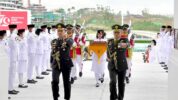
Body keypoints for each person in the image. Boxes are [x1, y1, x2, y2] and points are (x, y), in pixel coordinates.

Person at [51, 23, 74, 100]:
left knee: (66, 82)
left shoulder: (69, 39)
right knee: (54, 81)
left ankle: (67, 98)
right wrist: (51, 62)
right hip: (56, 64)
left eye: (61, 31)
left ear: (64, 31)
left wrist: (65, 38)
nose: (59, 32)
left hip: (66, 63)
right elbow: (52, 53)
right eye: (58, 31)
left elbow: (70, 43)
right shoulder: (54, 41)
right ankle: (55, 97)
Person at [107, 24, 129, 100]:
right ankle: (113, 97)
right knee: (112, 82)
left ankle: (120, 98)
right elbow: (108, 52)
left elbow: (126, 45)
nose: (116, 34)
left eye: (118, 32)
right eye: (115, 32)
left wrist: (120, 44)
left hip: (122, 65)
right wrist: (108, 58)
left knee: (121, 84)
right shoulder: (109, 41)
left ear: (121, 32)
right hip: (112, 65)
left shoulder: (125, 40)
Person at [7, 24, 20, 94]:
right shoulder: (13, 36)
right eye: (15, 28)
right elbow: (20, 41)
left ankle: (11, 88)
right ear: (13, 29)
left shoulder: (9, 36)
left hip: (12, 57)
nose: (16, 30)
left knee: (12, 74)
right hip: (13, 58)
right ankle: (10, 89)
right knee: (12, 74)